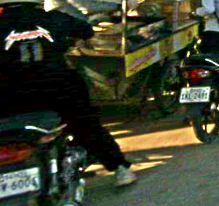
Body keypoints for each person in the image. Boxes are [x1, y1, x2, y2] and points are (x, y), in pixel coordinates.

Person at [0, 0, 137, 187]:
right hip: (56, 86)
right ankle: (120, 167)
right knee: (86, 124)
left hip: (11, 95)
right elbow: (86, 31)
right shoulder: (53, 18)